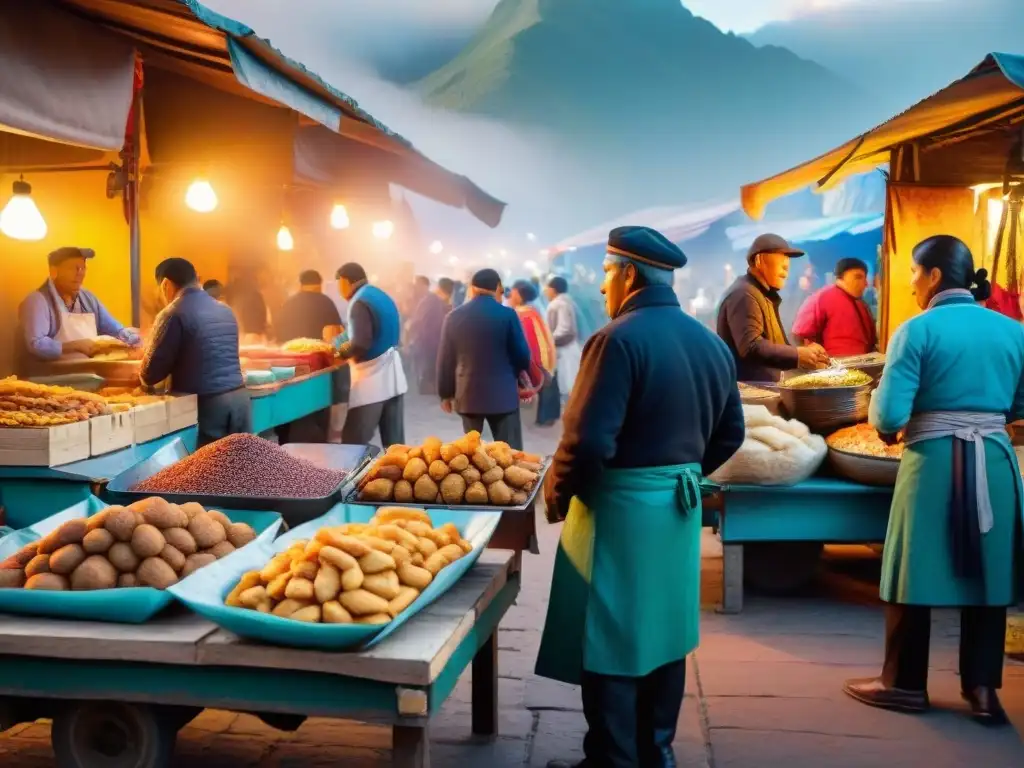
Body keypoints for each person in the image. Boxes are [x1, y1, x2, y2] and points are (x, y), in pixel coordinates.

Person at [537, 226, 745, 768]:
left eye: (608, 273)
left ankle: (614, 759)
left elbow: (586, 443)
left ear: (628, 274)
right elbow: (732, 434)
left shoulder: (617, 339)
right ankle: (658, 751)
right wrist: (684, 473)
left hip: (622, 512)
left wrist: (557, 496)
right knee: (665, 631)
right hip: (677, 511)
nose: (605, 286)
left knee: (611, 635)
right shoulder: (711, 344)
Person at [842, 235, 1024, 725]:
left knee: (910, 568)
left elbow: (889, 411)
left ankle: (902, 684)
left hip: (933, 461)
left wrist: (885, 427)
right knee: (990, 573)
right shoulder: (1014, 332)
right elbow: (1020, 406)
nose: (912, 284)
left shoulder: (916, 331)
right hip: (994, 460)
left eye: (915, 274)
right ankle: (983, 690)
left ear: (935, 275)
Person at [140, 258, 250, 446]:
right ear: (196, 279)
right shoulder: (224, 309)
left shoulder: (172, 313)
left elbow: (151, 373)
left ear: (166, 284)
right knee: (240, 468)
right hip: (240, 399)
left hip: (208, 406)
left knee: (208, 471)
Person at [436, 268, 532, 449]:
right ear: (497, 287)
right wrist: (519, 377)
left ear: (472, 288)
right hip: (502, 396)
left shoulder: (453, 317)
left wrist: (445, 394)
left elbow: (445, 360)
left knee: (473, 453)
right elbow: (522, 355)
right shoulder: (508, 315)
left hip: (468, 396)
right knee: (509, 452)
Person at [717, 233, 829, 381]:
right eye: (781, 257)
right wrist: (797, 355)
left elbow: (774, 346)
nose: (786, 266)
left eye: (787, 260)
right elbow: (751, 346)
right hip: (751, 395)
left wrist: (804, 356)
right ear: (759, 260)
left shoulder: (762, 294)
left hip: (767, 388)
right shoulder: (744, 294)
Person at [17, 246, 140, 374]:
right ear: (53, 271)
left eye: (83, 268)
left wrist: (134, 339)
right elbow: (36, 345)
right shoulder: (37, 301)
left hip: (88, 373)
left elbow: (114, 328)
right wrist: (75, 346)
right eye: (73, 268)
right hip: (50, 377)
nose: (79, 273)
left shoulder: (88, 298)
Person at [335, 262, 407, 447]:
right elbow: (355, 332)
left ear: (345, 281)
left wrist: (339, 352)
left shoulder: (359, 302)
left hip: (373, 376)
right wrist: (337, 340)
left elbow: (359, 343)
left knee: (354, 441)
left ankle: (355, 476)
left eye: (339, 284)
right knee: (394, 444)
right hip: (393, 374)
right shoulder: (378, 295)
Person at [792, 257, 877, 357]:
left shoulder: (862, 305)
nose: (865, 284)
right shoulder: (822, 298)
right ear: (841, 277)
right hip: (831, 368)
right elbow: (800, 334)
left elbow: (871, 340)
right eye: (858, 277)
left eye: (865, 278)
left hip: (861, 366)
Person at [508, 280, 560, 425]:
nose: (509, 296)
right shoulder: (532, 312)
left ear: (518, 294)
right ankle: (548, 416)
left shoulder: (520, 314)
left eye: (512, 293)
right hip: (543, 357)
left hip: (532, 358)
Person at [405, 276, 450, 395]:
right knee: (427, 368)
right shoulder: (432, 301)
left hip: (428, 342)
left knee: (428, 368)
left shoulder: (433, 300)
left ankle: (428, 386)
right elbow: (421, 323)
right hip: (427, 343)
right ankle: (426, 387)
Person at [274, 269, 344, 345]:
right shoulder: (326, 302)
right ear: (320, 284)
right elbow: (337, 331)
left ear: (300, 285)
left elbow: (278, 330)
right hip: (317, 351)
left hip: (291, 350)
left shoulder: (289, 303)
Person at [545, 276, 583, 403]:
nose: (546, 292)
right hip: (570, 347)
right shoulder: (569, 302)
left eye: (547, 289)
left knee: (566, 383)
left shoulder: (558, 304)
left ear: (553, 289)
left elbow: (564, 329)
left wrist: (548, 341)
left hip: (563, 349)